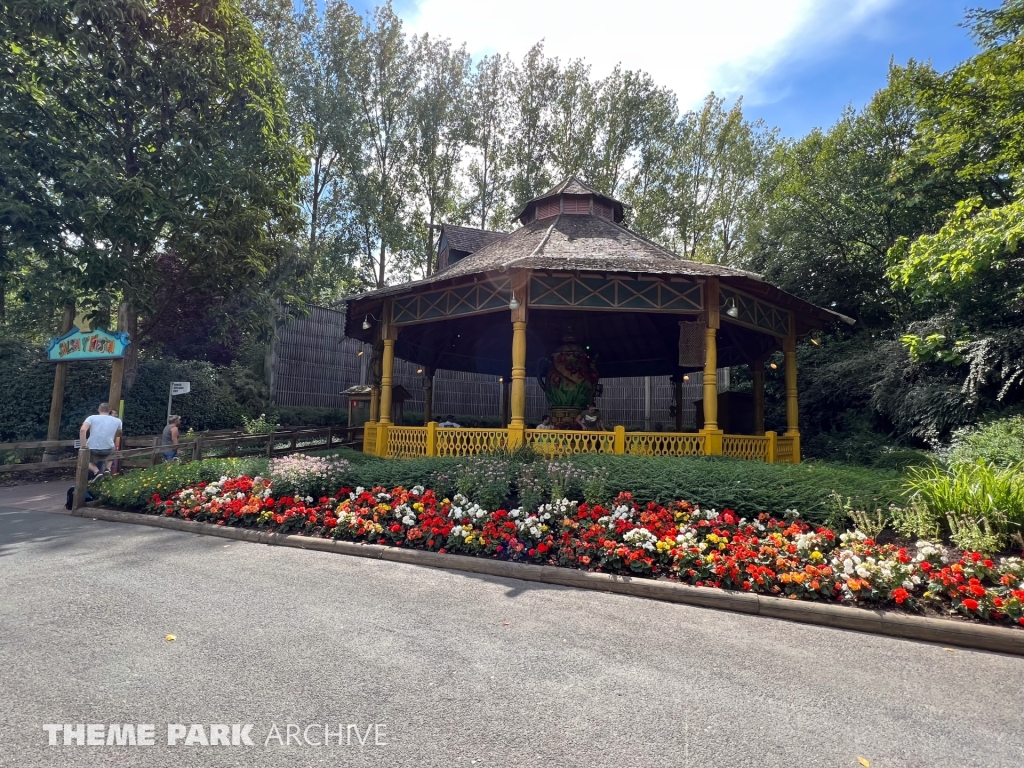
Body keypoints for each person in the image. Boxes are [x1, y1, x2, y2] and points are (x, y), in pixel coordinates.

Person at [80, 402, 123, 480]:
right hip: (108, 448)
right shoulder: (118, 421)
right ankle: (108, 469)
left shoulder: (91, 418)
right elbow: (119, 433)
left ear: (98, 410)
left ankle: (97, 472)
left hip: (93, 448)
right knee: (111, 454)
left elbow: (83, 430)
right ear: (110, 410)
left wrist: (83, 446)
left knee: (84, 460)